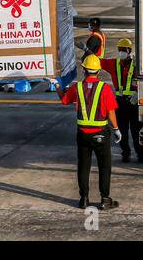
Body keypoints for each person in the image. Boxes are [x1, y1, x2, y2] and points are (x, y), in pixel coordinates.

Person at [49, 54, 121, 210]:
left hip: (82, 134)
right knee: (104, 166)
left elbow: (64, 100)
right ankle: (105, 199)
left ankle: (84, 199)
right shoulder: (105, 88)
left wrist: (57, 86)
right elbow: (111, 112)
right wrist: (116, 129)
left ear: (84, 69)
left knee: (83, 166)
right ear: (98, 70)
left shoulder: (77, 87)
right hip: (101, 133)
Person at [100, 38, 143, 163]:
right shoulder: (114, 64)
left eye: (123, 50)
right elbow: (97, 62)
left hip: (133, 103)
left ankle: (140, 154)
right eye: (119, 49)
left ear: (129, 51)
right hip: (120, 103)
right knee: (121, 130)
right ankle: (126, 153)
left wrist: (138, 93)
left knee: (136, 131)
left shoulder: (137, 65)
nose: (121, 52)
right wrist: (87, 51)